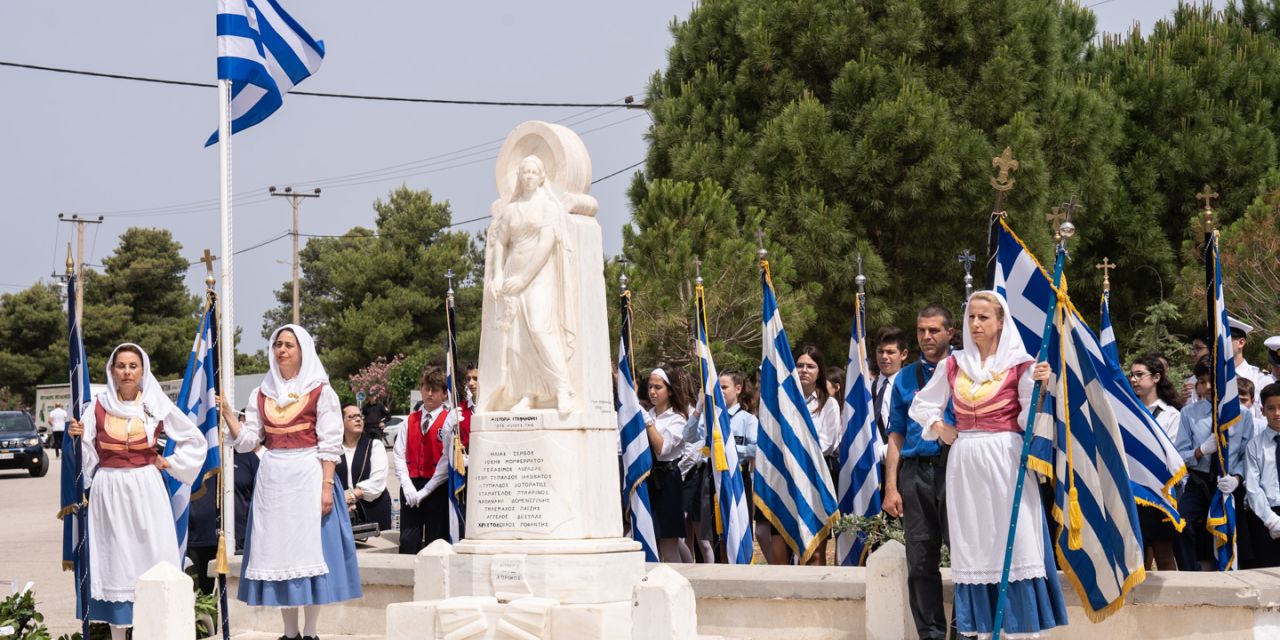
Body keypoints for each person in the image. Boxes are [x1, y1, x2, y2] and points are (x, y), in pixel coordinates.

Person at [909, 291, 1067, 638]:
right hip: (966, 463)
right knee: (976, 546)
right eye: (971, 318)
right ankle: (983, 631)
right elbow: (922, 405)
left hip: (1006, 460)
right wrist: (939, 428)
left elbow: (1029, 423)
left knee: (1016, 540)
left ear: (1000, 323)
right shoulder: (954, 364)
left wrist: (1040, 389)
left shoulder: (1021, 365)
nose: (976, 324)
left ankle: (1020, 632)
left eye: (983, 318)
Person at [220, 324, 362, 640]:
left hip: (309, 474)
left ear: (303, 351)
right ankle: (289, 632)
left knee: (311, 554)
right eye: (277, 345)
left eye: (288, 345)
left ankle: (310, 632)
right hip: (274, 479)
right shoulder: (262, 392)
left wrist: (327, 486)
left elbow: (330, 443)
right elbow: (247, 441)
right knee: (280, 554)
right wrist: (229, 413)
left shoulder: (320, 391)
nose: (281, 350)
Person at [66, 344, 205, 640]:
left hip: (147, 488)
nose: (127, 372)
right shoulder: (97, 407)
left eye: (133, 366)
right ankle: (118, 635)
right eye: (121, 366)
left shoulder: (155, 404)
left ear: (143, 370)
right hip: (109, 489)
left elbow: (194, 438)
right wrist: (74, 440)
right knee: (115, 559)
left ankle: (154, 632)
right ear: (112, 370)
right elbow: (87, 457)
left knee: (153, 556)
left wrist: (171, 462)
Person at [882, 304, 956, 640]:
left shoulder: (964, 370)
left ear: (950, 333)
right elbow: (896, 433)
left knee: (966, 558)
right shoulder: (905, 378)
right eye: (921, 330)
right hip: (915, 474)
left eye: (934, 330)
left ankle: (965, 632)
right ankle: (932, 635)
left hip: (956, 470)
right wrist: (891, 486)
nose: (927, 336)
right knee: (921, 561)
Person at [486, 154, 578, 413]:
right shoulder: (512, 209)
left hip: (539, 276)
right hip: (513, 272)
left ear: (542, 177)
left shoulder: (548, 207)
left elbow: (547, 242)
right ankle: (529, 393)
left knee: (539, 328)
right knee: (518, 338)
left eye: (533, 172)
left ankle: (562, 387)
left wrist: (524, 277)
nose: (528, 176)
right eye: (524, 171)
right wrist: (498, 275)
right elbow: (500, 243)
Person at [1174, 355, 1256, 571]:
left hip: (1228, 481)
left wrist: (1237, 478)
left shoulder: (1243, 415)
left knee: (1233, 532)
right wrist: (1200, 451)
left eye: (1212, 380)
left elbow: (1246, 454)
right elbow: (1180, 454)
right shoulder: (1189, 413)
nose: (1208, 386)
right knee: (1182, 524)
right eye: (1201, 381)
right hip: (1199, 480)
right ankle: (1191, 574)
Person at [393, 365, 461, 555]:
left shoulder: (450, 420)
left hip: (437, 487)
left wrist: (427, 489)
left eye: (435, 390)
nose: (430, 393)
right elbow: (398, 454)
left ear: (444, 394)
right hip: (411, 484)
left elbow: (447, 458)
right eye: (426, 388)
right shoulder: (410, 420)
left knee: (436, 541)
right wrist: (406, 485)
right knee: (408, 541)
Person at [1128, 354, 1182, 570]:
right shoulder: (1128, 412)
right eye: (1131, 375)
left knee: (1163, 552)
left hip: (1159, 491)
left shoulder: (1171, 415)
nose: (1133, 379)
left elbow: (1171, 454)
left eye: (1139, 375)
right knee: (1135, 553)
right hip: (1133, 489)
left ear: (1156, 377)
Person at [796, 344, 839, 566]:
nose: (804, 370)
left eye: (810, 366)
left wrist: (798, 455)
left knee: (815, 544)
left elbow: (827, 442)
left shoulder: (828, 404)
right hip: (789, 475)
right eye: (800, 365)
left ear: (819, 371)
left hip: (817, 475)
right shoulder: (785, 402)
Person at [645, 366, 691, 563]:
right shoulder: (649, 413)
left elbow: (661, 448)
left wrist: (648, 423)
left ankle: (679, 583)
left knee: (668, 543)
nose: (653, 392)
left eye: (658, 387)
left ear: (670, 391)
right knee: (650, 538)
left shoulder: (678, 419)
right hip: (648, 479)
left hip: (667, 482)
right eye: (650, 387)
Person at [337, 405, 392, 532]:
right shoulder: (333, 449)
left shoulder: (374, 446)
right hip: (341, 513)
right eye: (352, 417)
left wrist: (350, 496)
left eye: (360, 416)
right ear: (341, 422)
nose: (358, 419)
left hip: (373, 511)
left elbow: (378, 481)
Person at [1243, 383, 1280, 568]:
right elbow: (1252, 487)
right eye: (1271, 408)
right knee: (1268, 571)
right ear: (1262, 410)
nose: (1277, 413)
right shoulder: (1254, 446)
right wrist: (1271, 520)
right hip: (1267, 515)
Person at [873, 327, 908, 441]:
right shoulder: (867, 388)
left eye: (890, 352)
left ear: (903, 354)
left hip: (901, 453)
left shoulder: (909, 388)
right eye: (880, 351)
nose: (884, 357)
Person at [1181, 332, 1211, 406]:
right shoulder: (1192, 380)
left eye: (1198, 348)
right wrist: (1181, 402)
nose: (1193, 354)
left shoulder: (1226, 377)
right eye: (1202, 381)